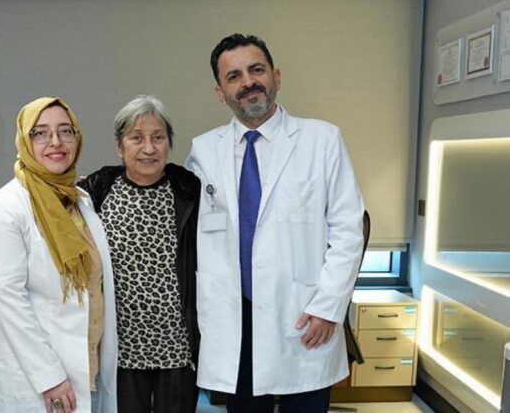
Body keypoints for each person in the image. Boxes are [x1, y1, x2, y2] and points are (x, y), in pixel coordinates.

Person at [185, 34, 364, 413]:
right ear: (220, 93)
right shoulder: (203, 151)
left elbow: (348, 230)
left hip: (303, 313)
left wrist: (329, 307)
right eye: (233, 76)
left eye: (256, 70)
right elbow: (183, 216)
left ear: (276, 76)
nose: (248, 82)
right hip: (234, 318)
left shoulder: (322, 139)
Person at [0, 97, 117, 413]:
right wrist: (49, 377)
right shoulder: (5, 209)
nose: (56, 142)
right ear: (25, 141)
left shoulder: (79, 200)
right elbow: (9, 302)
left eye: (66, 131)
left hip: (87, 366)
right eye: (40, 133)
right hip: (37, 377)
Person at [79, 95, 201, 413]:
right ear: (119, 146)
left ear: (169, 143)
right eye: (136, 138)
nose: (148, 148)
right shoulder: (98, 189)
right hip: (121, 344)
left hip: (176, 342)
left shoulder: (189, 190)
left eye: (158, 137)